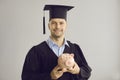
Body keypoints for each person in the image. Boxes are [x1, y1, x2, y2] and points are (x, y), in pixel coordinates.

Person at [21, 4, 92, 80]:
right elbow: (26, 77)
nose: (58, 26)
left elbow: (87, 72)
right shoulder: (36, 51)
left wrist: (78, 70)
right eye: (54, 23)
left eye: (61, 23)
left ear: (66, 25)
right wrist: (50, 76)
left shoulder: (75, 48)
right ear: (49, 26)